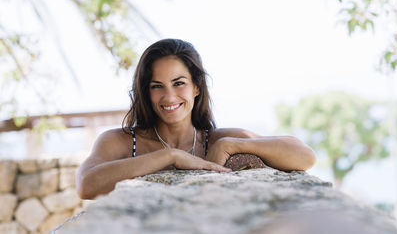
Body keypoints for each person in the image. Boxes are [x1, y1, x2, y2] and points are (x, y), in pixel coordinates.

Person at [76, 39, 316, 200]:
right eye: (156, 86)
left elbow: (305, 156)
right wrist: (169, 156)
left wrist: (231, 145)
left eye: (179, 83)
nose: (169, 96)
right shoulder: (122, 142)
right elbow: (86, 185)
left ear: (197, 87)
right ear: (145, 92)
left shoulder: (218, 139)